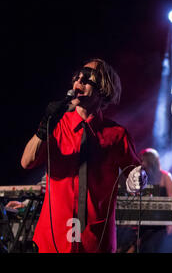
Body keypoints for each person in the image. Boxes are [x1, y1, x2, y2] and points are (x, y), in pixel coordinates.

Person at [20, 59, 147, 253]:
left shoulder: (116, 134)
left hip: (95, 239)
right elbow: (26, 162)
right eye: (76, 78)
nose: (78, 83)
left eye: (86, 79)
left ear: (103, 89)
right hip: (53, 238)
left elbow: (134, 178)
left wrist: (138, 178)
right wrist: (45, 125)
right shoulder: (57, 124)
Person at [137, 148, 172, 253]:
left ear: (150, 161)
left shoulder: (165, 176)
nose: (141, 163)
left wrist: (170, 223)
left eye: (143, 160)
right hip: (145, 221)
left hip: (160, 223)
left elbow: (171, 200)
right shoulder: (143, 177)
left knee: (155, 248)